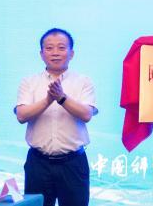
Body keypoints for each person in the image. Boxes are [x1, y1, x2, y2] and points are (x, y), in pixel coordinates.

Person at [15, 28, 97, 206]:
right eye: (49, 48)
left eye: (61, 47)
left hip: (73, 163)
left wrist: (61, 98)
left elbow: (86, 114)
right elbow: (21, 115)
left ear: (71, 53)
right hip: (38, 163)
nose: (55, 53)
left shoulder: (83, 81)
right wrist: (48, 100)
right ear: (41, 54)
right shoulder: (29, 82)